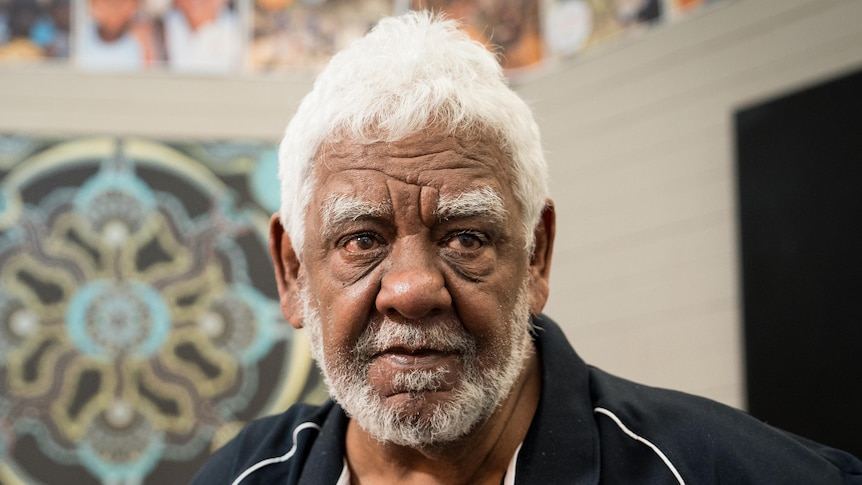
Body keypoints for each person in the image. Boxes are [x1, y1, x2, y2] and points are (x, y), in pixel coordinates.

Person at [192, 11, 862, 484]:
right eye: (362, 238)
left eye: (465, 235)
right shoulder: (239, 476)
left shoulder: (731, 472)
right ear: (291, 272)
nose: (413, 288)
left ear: (536, 256)